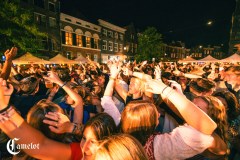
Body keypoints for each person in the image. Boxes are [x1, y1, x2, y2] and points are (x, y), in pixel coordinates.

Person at [102, 63, 217, 160]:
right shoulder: (157, 147)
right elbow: (208, 131)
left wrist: (114, 75)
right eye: (154, 113)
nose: (158, 113)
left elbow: (107, 100)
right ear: (150, 122)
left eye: (133, 83)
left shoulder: (119, 126)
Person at [0, 78, 117, 160]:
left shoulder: (22, 152)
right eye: (85, 138)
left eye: (91, 141)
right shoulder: (74, 146)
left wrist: (4, 106)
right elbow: (79, 101)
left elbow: (40, 145)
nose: (85, 146)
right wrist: (71, 127)